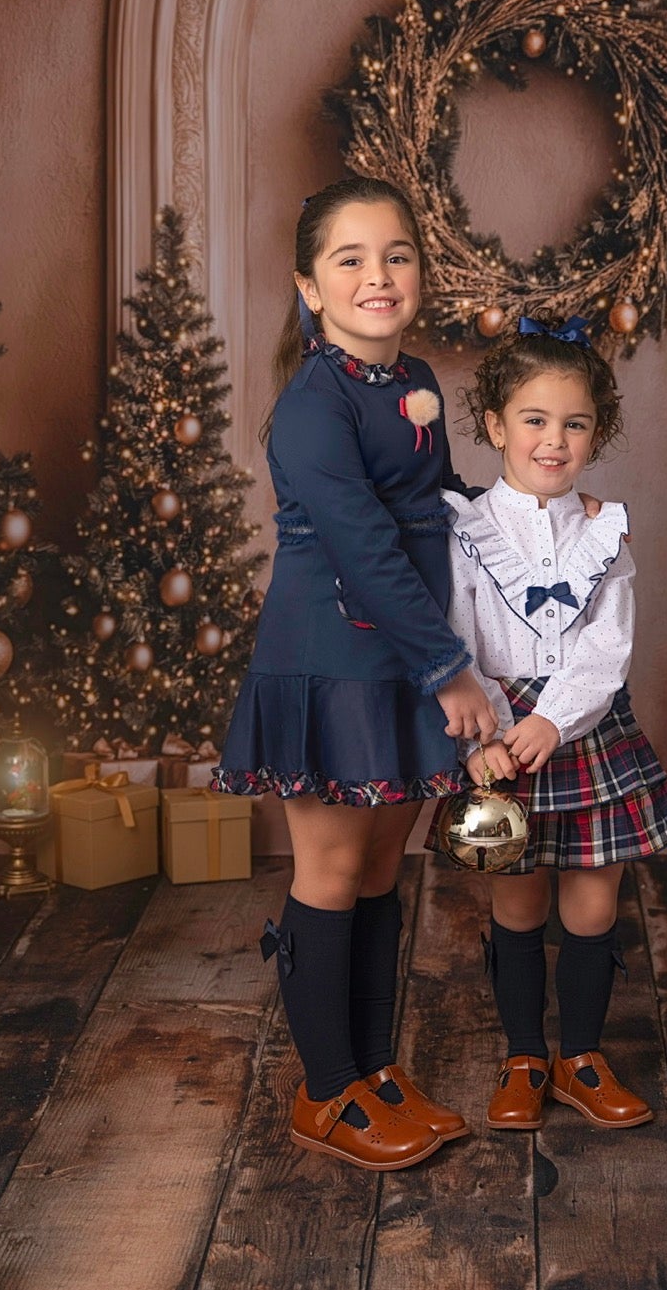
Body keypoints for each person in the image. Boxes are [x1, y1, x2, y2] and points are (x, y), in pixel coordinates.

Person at [214, 175, 501, 1172]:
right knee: (332, 872)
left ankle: (377, 1071)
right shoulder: (312, 403)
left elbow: (436, 503)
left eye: (397, 255)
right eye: (350, 259)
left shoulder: (412, 378)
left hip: (406, 657)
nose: (378, 275)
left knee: (383, 869)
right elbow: (365, 545)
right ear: (310, 286)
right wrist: (451, 671)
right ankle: (325, 1090)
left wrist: (536, 517)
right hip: (335, 661)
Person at [427, 317, 667, 1132]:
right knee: (516, 904)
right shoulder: (465, 528)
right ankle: (523, 1055)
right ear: (496, 425)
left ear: (597, 432)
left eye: (575, 423)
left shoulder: (604, 530)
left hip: (583, 732)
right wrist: (488, 736)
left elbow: (609, 646)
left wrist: (554, 718)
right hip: (497, 736)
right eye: (535, 420)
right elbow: (456, 639)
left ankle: (581, 1056)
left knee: (591, 905)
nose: (554, 439)